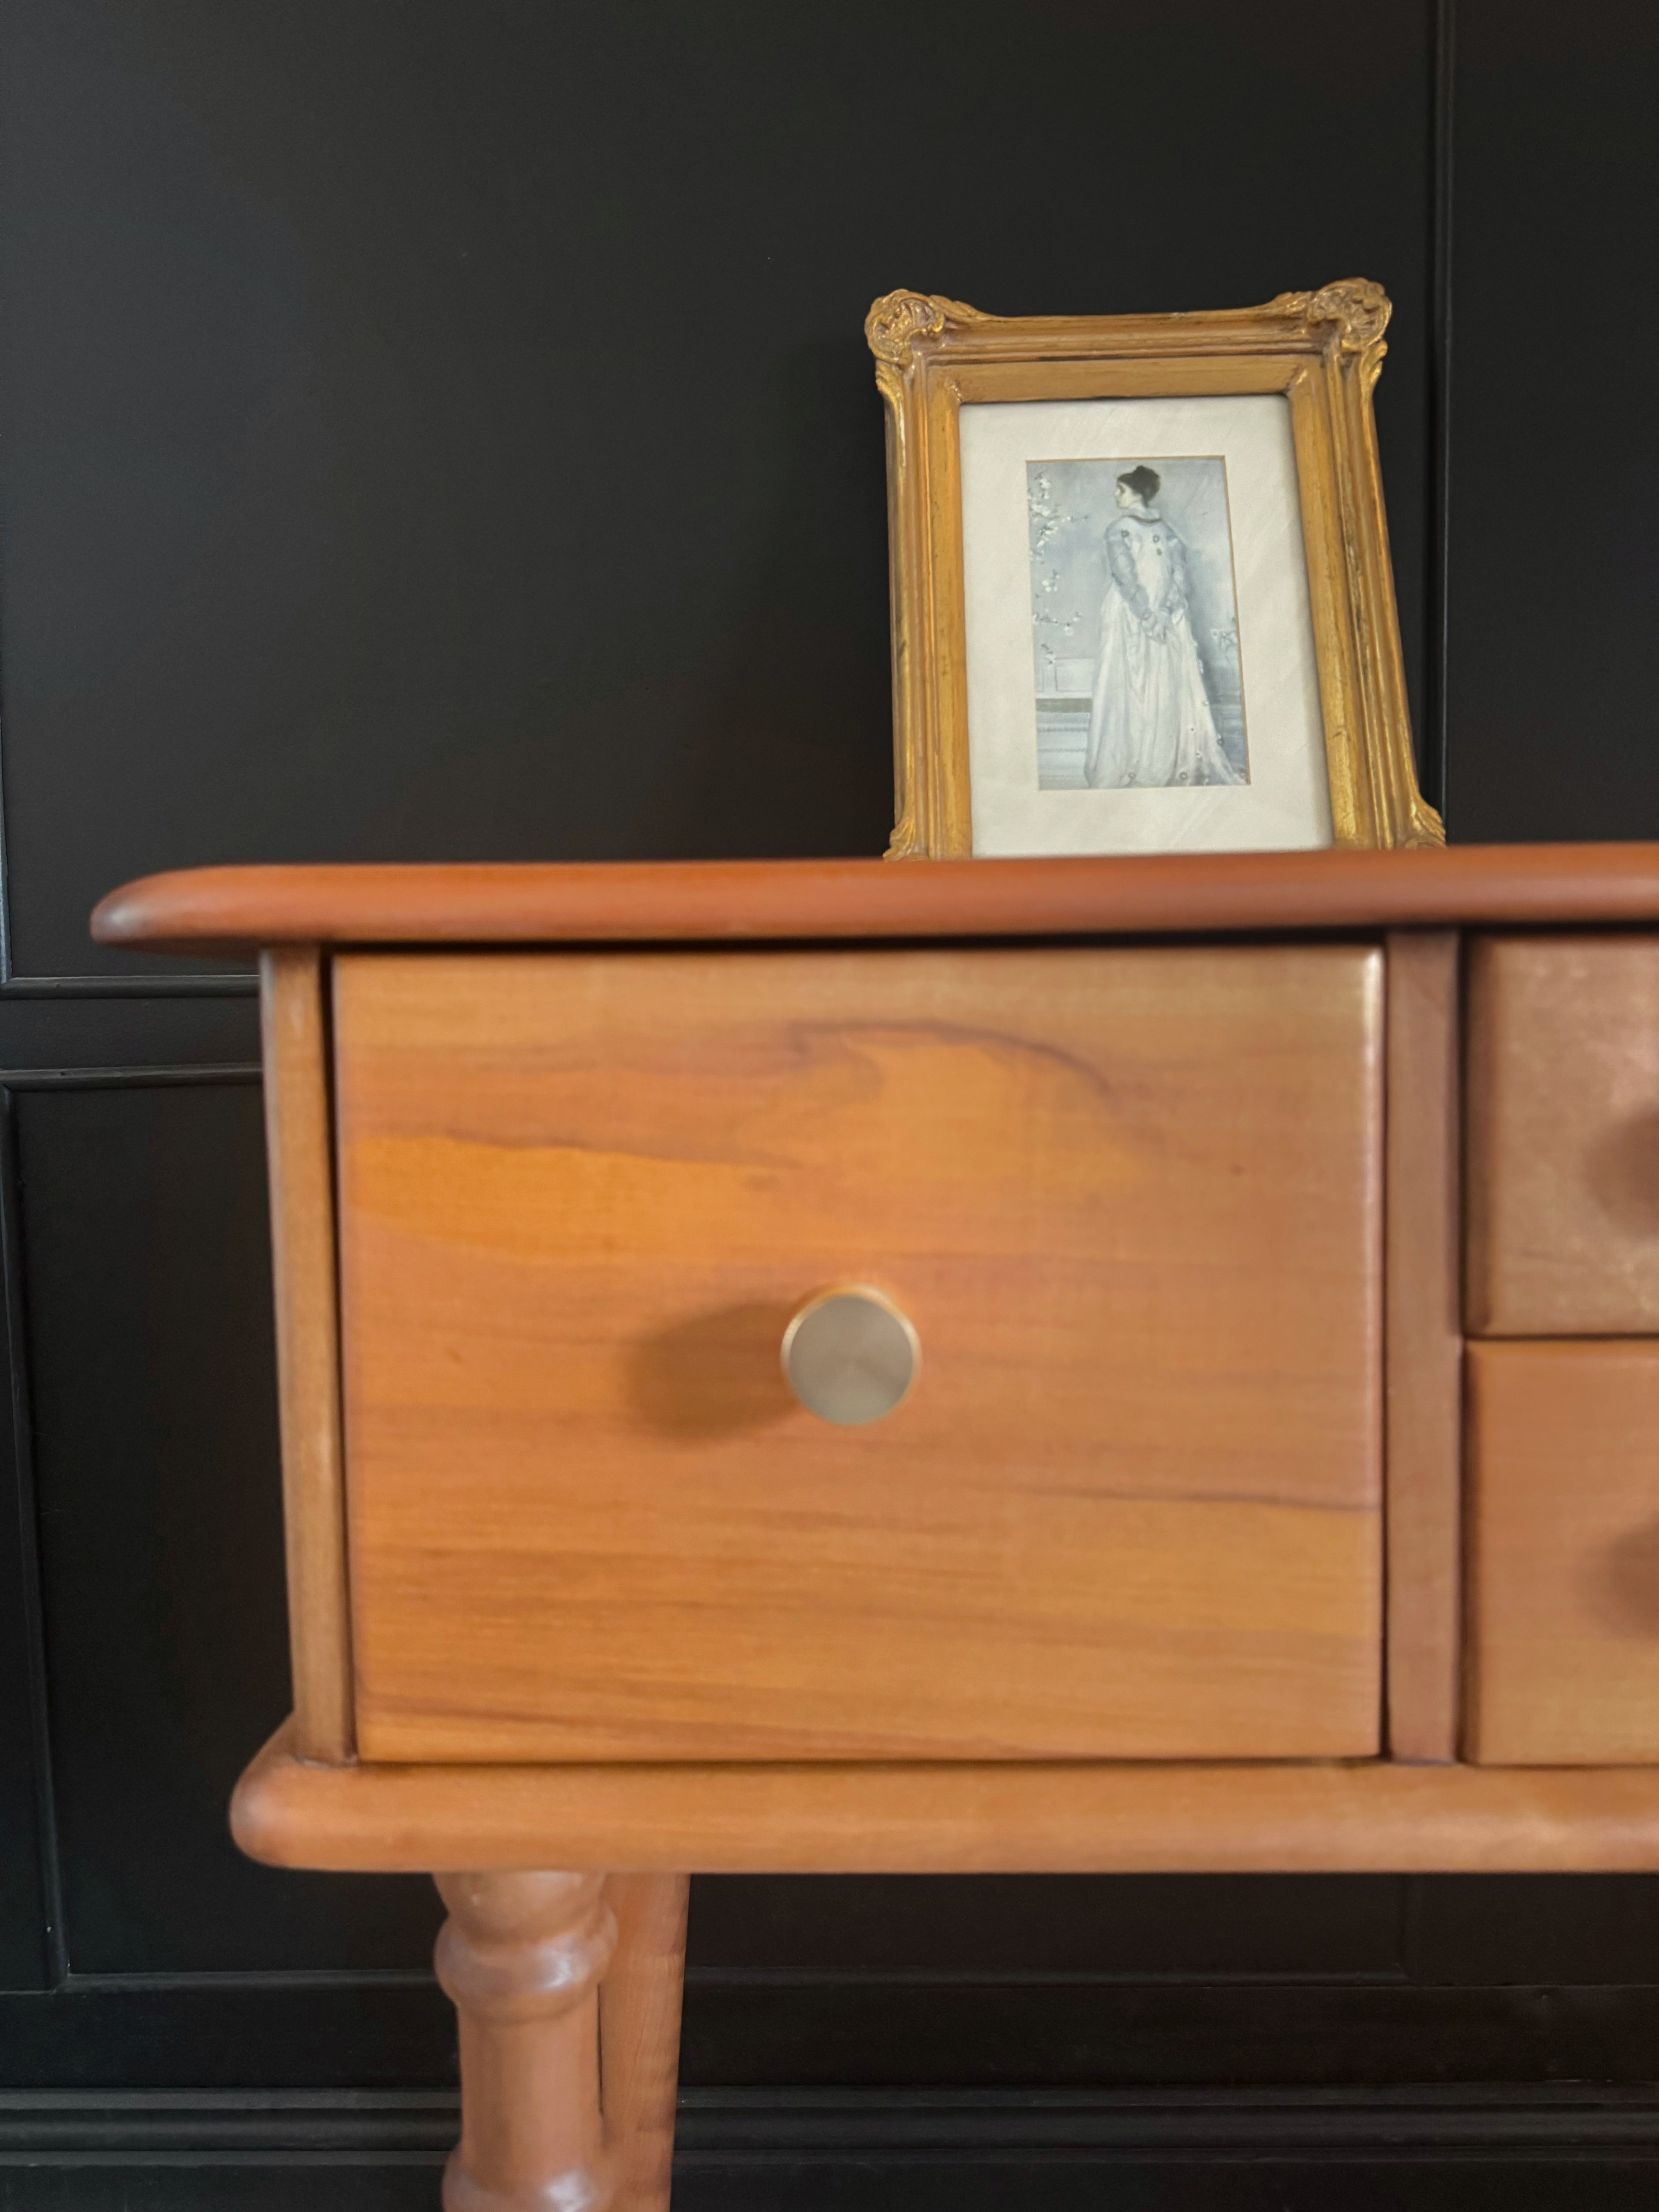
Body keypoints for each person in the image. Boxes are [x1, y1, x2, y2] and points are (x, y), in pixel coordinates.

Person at [1084, 466, 1242, 789]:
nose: (1116, 496)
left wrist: (1163, 614)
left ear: (1138, 493)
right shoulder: (1127, 530)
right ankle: (1131, 758)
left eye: (1121, 490)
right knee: (1129, 683)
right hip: (1131, 614)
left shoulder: (1157, 531)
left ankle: (1161, 758)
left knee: (1162, 682)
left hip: (1158, 616)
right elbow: (1125, 577)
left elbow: (1179, 576)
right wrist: (1150, 614)